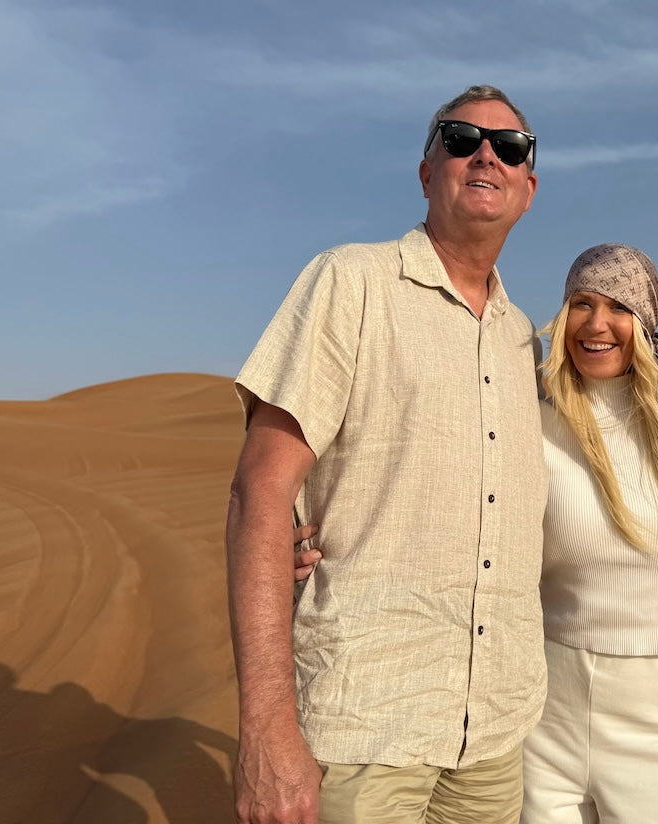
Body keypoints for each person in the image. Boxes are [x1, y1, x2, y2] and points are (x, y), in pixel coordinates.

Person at [295, 244, 658, 823]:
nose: (597, 323)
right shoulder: (523, 416)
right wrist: (299, 534)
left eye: (619, 307)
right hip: (539, 718)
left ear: (646, 323)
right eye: (582, 303)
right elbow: (419, 473)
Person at [227, 85, 546, 824]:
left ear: (529, 189)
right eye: (461, 139)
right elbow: (260, 493)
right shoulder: (351, 281)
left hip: (494, 736)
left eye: (510, 147)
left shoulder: (523, 339)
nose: (486, 156)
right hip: (366, 724)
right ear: (428, 172)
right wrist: (266, 729)